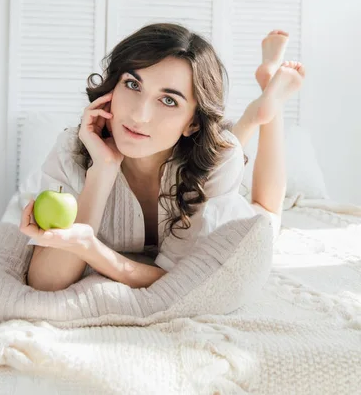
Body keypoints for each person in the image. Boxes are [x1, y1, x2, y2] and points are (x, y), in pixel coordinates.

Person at [19, 23, 305, 291]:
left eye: (169, 100)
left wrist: (89, 248)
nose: (138, 116)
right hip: (193, 150)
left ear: (193, 121)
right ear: (112, 89)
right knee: (221, 150)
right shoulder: (75, 147)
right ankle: (255, 114)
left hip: (202, 159)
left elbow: (180, 280)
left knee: (266, 214)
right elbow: (45, 282)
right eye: (133, 85)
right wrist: (102, 172)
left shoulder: (218, 159)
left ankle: (269, 103)